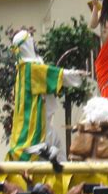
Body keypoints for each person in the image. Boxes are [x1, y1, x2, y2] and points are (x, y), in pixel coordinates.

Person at [7, 29, 87, 161]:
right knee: (55, 155)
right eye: (31, 43)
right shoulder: (31, 69)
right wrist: (77, 74)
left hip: (31, 128)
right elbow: (55, 74)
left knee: (58, 151)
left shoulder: (22, 70)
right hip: (36, 128)